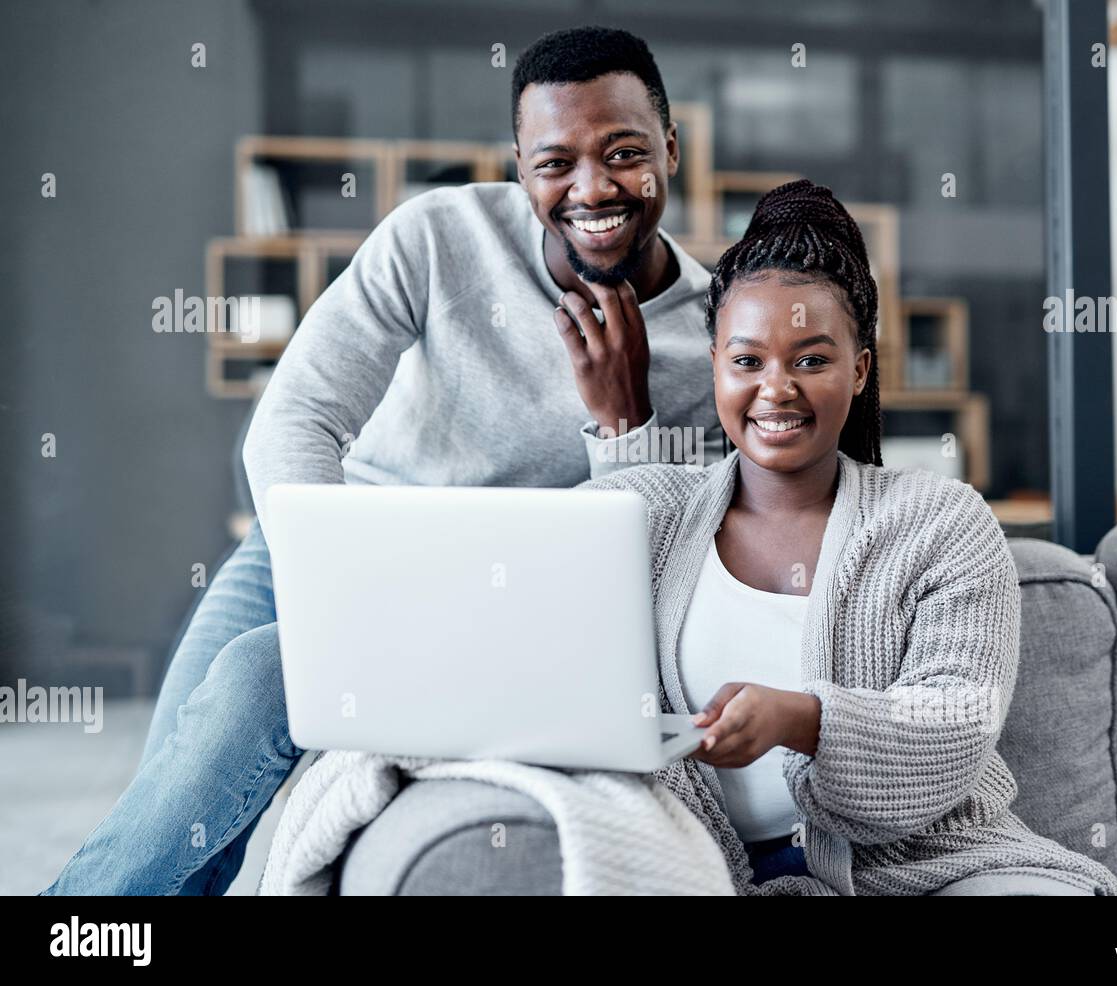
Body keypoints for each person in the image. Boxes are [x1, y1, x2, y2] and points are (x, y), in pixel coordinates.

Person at [43, 25, 724, 895]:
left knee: (255, 681)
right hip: (326, 545)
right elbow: (295, 416)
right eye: (555, 162)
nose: (592, 188)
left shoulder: (713, 340)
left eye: (623, 152)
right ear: (520, 166)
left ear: (670, 147)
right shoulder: (440, 235)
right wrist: (339, 585)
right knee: (176, 801)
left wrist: (622, 420)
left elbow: (660, 568)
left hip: (495, 597)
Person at [575, 179, 1117, 895]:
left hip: (931, 869)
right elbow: (527, 621)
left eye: (811, 360)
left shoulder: (942, 522)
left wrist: (800, 720)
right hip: (709, 873)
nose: (776, 389)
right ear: (715, 366)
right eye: (747, 361)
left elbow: (957, 719)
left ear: (860, 369)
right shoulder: (643, 516)